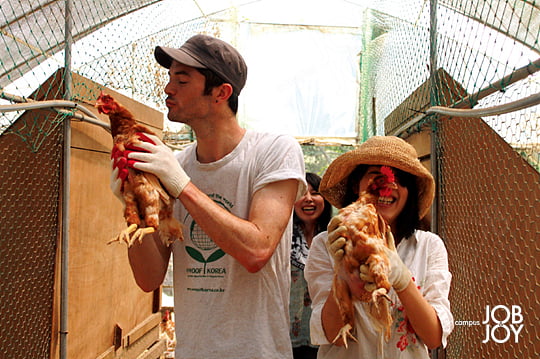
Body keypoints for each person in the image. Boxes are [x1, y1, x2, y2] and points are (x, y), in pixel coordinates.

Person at [111, 34, 307, 358]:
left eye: (182, 79)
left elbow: (257, 251)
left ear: (221, 93)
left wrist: (181, 185)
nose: (168, 89)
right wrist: (130, 206)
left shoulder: (273, 151)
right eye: (170, 78)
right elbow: (149, 278)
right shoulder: (175, 165)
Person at [304, 136, 453, 358]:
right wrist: (343, 276)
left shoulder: (429, 247)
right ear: (357, 185)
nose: (387, 186)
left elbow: (433, 338)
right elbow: (333, 335)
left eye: (400, 179)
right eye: (377, 176)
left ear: (409, 191)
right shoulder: (327, 245)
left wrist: (402, 280)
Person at [290, 173, 332, 359]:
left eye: (315, 193)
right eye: (301, 193)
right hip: (286, 332)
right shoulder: (280, 236)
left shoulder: (335, 237)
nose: (308, 199)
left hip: (325, 331)